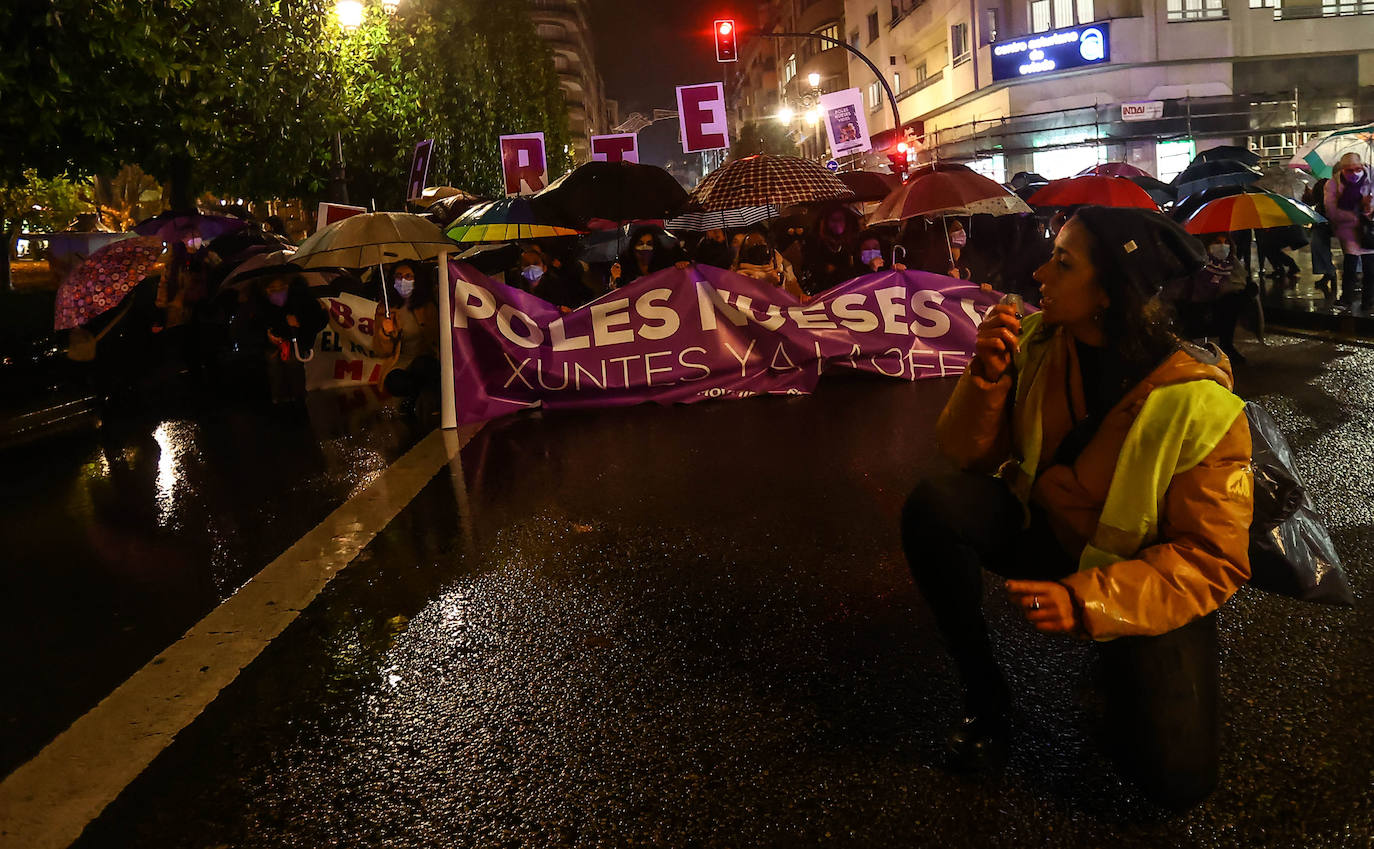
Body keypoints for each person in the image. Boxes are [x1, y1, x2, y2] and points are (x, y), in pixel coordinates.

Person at [900, 206, 1253, 808]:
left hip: (1138, 575)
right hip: (1044, 530)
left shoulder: (1200, 405)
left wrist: (1088, 602)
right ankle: (988, 699)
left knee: (1175, 785)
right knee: (935, 505)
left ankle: (1119, 668)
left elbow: (1211, 560)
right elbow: (964, 455)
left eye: (1062, 263)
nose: (1039, 273)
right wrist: (986, 376)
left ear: (1111, 292)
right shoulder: (1039, 342)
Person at [1176, 233, 1253, 366]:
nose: (1223, 246)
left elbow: (1238, 283)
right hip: (1196, 310)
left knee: (1232, 301)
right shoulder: (1195, 262)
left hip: (1221, 311)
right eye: (1217, 242)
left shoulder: (1232, 263)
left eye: (1226, 242)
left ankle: (1227, 345)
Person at [372, 261, 440, 407]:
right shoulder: (385, 310)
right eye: (398, 276)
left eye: (408, 276)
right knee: (396, 382)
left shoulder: (428, 305)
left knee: (423, 366)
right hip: (400, 364)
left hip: (427, 360)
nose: (403, 281)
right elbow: (381, 351)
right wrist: (385, 333)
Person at [257, 272, 327, 404]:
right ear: (265, 290)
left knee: (294, 367)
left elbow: (319, 320)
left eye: (282, 288)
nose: (278, 292)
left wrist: (299, 322)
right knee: (275, 370)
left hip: (298, 348)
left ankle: (298, 403)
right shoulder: (260, 306)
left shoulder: (302, 298)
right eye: (272, 289)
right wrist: (267, 335)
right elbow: (254, 329)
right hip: (274, 353)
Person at [1323, 151, 1374, 314]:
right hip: (1349, 230)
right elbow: (1332, 211)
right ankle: (1346, 298)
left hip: (1369, 231)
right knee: (1350, 266)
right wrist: (1356, 213)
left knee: (1370, 268)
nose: (1353, 173)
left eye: (1357, 169)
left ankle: (1369, 301)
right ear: (1342, 169)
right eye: (1349, 170)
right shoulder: (1333, 184)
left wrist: (1368, 209)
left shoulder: (1371, 180)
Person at [802, 204, 859, 292]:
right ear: (825, 222)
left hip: (848, 289)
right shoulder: (814, 241)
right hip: (824, 291)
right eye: (833, 220)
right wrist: (826, 268)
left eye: (841, 219)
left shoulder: (851, 240)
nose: (837, 223)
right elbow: (810, 266)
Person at [731, 227, 803, 298]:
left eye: (761, 243)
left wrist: (802, 296)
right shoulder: (740, 274)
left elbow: (796, 292)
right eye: (753, 246)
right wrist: (767, 279)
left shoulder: (781, 265)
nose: (759, 249)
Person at [519, 244, 592, 310]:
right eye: (526, 264)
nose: (531, 267)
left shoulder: (556, 287)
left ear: (544, 268)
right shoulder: (518, 290)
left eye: (535, 263)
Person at [1304, 177, 1337, 299]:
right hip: (1324, 220)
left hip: (1343, 220)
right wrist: (1308, 195)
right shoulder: (1322, 183)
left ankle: (1357, 272)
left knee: (1353, 243)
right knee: (1317, 241)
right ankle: (1328, 271)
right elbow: (1311, 201)